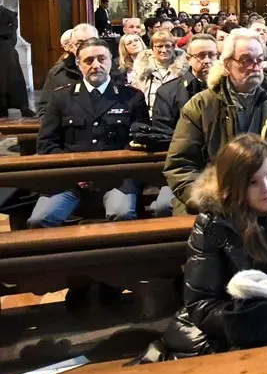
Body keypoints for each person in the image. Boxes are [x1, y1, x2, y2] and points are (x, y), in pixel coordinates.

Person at [140, 134, 267, 360]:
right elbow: (202, 305)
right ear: (235, 186)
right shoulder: (214, 222)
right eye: (252, 182)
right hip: (232, 332)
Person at [164, 29, 267, 214]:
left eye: (259, 60)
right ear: (227, 64)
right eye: (246, 60)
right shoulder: (201, 106)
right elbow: (180, 166)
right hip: (218, 206)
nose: (255, 66)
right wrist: (213, 200)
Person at [30, 37, 150, 226]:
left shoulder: (131, 97)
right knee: (40, 220)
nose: (96, 65)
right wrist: (76, 174)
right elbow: (47, 144)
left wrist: (107, 173)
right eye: (88, 60)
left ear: (112, 61)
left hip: (117, 177)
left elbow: (137, 142)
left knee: (123, 213)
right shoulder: (61, 98)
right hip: (70, 179)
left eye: (101, 59)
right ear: (78, 64)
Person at [153, 35, 218, 134]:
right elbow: (163, 132)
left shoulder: (228, 88)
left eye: (211, 55)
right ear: (188, 59)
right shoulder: (167, 92)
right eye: (201, 56)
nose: (207, 61)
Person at [37, 23, 98, 116]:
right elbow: (44, 111)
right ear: (71, 46)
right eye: (80, 43)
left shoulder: (112, 71)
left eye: (91, 42)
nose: (86, 48)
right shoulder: (57, 74)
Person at [132, 30, 189, 116]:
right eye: (159, 46)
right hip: (147, 117)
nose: (164, 50)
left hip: (176, 117)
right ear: (152, 48)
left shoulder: (185, 69)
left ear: (174, 47)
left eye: (168, 46)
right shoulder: (141, 69)